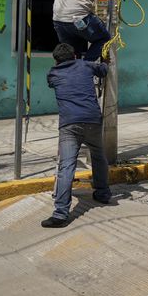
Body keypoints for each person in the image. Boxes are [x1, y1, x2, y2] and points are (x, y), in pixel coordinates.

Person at [42, 43, 112, 228]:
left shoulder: (53, 73)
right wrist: (105, 58)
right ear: (74, 56)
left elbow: (52, 84)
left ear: (56, 60)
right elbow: (104, 70)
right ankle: (103, 193)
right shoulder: (85, 65)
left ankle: (60, 214)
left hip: (70, 125)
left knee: (66, 167)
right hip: (93, 120)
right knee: (98, 156)